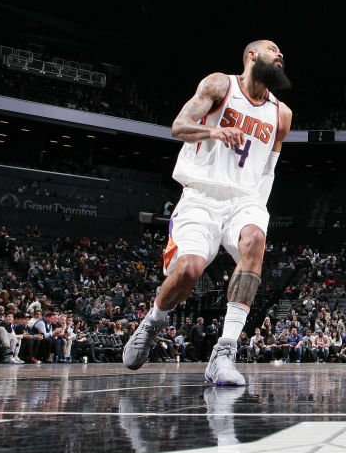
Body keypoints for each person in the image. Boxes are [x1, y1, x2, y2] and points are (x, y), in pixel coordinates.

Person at [123, 40, 293, 386]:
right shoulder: (219, 84)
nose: (280, 56)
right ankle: (153, 320)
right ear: (251, 55)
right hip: (201, 196)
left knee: (255, 240)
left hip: (245, 200)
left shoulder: (282, 114)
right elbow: (179, 126)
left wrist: (257, 206)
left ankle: (225, 351)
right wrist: (214, 130)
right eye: (273, 49)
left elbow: (269, 168)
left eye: (281, 53)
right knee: (188, 271)